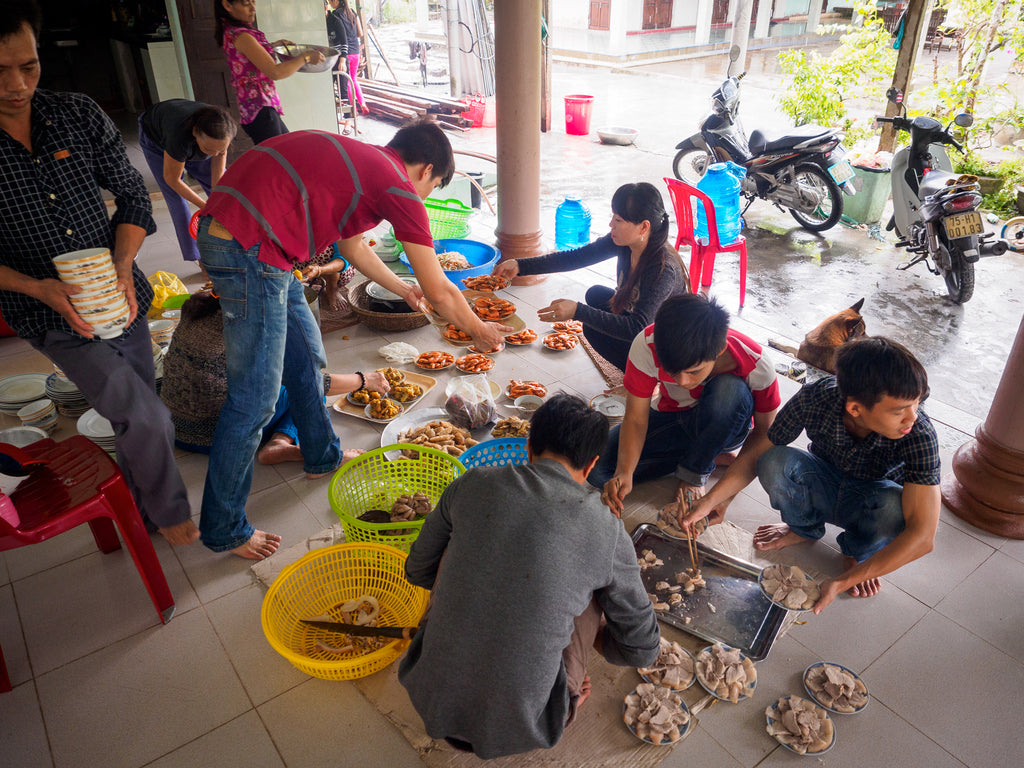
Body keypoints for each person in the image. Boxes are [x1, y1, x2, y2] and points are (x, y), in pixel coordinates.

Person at [196, 119, 509, 560]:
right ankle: (224, 527)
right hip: (248, 245)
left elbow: (353, 249)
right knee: (255, 399)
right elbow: (441, 289)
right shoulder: (398, 184)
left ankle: (321, 455)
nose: (424, 196)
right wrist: (482, 330)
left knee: (307, 360)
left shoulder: (365, 165)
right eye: (433, 186)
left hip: (254, 240)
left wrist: (403, 288)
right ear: (426, 171)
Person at [0, 1, 197, 547]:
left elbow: (133, 194)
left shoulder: (76, 114)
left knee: (131, 411)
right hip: (46, 311)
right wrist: (36, 286)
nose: (18, 84)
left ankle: (138, 511)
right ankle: (169, 513)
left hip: (119, 297)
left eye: (29, 66)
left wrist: (121, 264)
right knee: (147, 415)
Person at [398, 394, 660, 759]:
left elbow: (417, 569)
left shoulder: (471, 483)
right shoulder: (606, 526)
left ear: (527, 448)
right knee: (592, 586)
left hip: (427, 694)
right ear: (593, 465)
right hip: (530, 723)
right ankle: (564, 689)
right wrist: (595, 639)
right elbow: (644, 648)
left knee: (460, 547)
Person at [682, 336, 941, 614]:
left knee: (895, 507)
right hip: (823, 479)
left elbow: (923, 535)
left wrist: (844, 581)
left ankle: (858, 554)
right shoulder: (816, 398)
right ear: (855, 408)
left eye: (916, 405)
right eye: (900, 410)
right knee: (773, 461)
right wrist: (713, 501)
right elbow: (758, 451)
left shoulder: (918, 433)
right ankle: (804, 528)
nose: (912, 418)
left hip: (872, 499)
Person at [591, 293, 780, 517]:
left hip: (724, 425)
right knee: (596, 467)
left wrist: (718, 498)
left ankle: (695, 469)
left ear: (719, 351)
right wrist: (625, 471)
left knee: (729, 391)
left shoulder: (757, 364)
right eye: (672, 371)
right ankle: (704, 456)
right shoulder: (647, 344)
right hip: (674, 418)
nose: (683, 382)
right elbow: (636, 418)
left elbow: (764, 436)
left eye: (694, 371)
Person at [158, 291, 386, 463]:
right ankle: (313, 452)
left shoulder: (200, 303)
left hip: (175, 428)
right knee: (307, 394)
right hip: (219, 438)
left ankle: (278, 443)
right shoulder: (252, 324)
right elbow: (306, 382)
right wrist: (363, 379)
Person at [493, 183, 688, 371]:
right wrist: (520, 265)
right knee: (596, 295)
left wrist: (578, 311)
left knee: (592, 327)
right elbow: (576, 257)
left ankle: (643, 377)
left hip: (665, 347)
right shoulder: (624, 242)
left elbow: (637, 327)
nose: (611, 224)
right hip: (645, 328)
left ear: (644, 227)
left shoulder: (663, 269)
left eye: (618, 220)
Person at [137, 100, 236, 268]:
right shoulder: (179, 135)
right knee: (175, 197)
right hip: (156, 137)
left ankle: (236, 246)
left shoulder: (221, 132)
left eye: (221, 151)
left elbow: (217, 181)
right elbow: (172, 179)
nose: (215, 154)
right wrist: (204, 206)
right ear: (195, 133)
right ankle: (202, 259)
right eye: (209, 150)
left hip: (194, 141)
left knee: (226, 194)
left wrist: (216, 203)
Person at [214, 0, 324, 145]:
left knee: (285, 152)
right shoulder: (243, 37)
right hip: (261, 111)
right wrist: (306, 57)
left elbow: (247, 58)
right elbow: (275, 72)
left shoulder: (231, 31)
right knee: (280, 160)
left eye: (253, 1)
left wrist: (272, 46)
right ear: (227, 5)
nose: (253, 8)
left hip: (255, 111)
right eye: (246, 3)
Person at [334, 0, 367, 115]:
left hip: (346, 52)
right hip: (356, 51)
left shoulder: (335, 14)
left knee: (347, 81)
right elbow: (360, 33)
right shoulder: (352, 12)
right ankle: (363, 103)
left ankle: (352, 108)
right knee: (353, 79)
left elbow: (338, 35)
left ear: (335, 1)